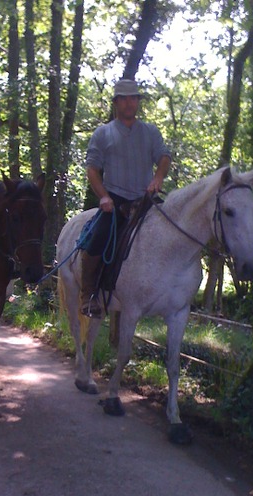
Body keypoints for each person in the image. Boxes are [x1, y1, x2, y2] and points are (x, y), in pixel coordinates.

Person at [81, 78, 171, 318]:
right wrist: (103, 197)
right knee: (97, 237)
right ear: (116, 103)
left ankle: (170, 290)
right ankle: (88, 294)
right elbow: (92, 169)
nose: (130, 103)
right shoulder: (103, 133)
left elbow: (163, 156)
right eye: (124, 99)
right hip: (116, 203)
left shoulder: (150, 131)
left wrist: (158, 178)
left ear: (138, 102)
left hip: (146, 201)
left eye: (134, 98)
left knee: (173, 229)